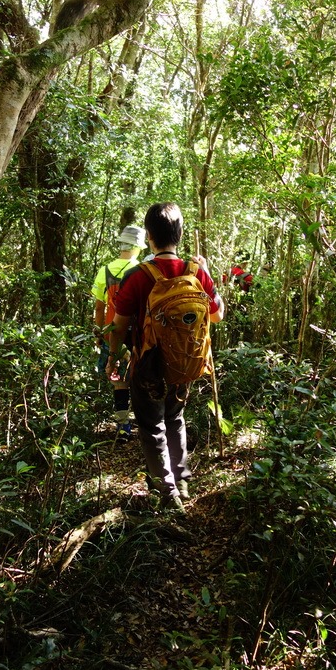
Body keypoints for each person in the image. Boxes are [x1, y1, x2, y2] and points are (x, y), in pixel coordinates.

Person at [107, 202, 224, 514]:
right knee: (174, 418)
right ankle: (182, 481)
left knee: (151, 424)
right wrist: (209, 274)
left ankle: (168, 492)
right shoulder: (197, 273)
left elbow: (118, 326)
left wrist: (112, 357)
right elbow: (217, 315)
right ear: (180, 234)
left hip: (147, 365)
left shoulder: (138, 276)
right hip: (184, 364)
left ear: (149, 236)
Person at [91, 224, 146, 441]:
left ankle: (123, 428)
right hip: (139, 334)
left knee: (119, 380)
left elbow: (98, 307)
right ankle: (146, 427)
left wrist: (99, 333)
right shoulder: (143, 271)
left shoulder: (105, 270)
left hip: (113, 332)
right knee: (141, 379)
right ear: (138, 247)